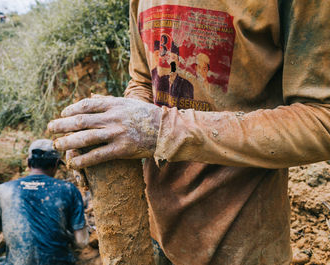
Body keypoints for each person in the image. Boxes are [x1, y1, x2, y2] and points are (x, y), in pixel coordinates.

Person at [48, 1, 330, 264]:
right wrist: (110, 129)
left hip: (242, 244)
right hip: (154, 229)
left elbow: (322, 118)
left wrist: (163, 129)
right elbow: (144, 79)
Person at [0, 139, 88, 265]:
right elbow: (82, 242)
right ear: (56, 164)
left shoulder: (4, 190)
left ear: (28, 163)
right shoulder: (68, 190)